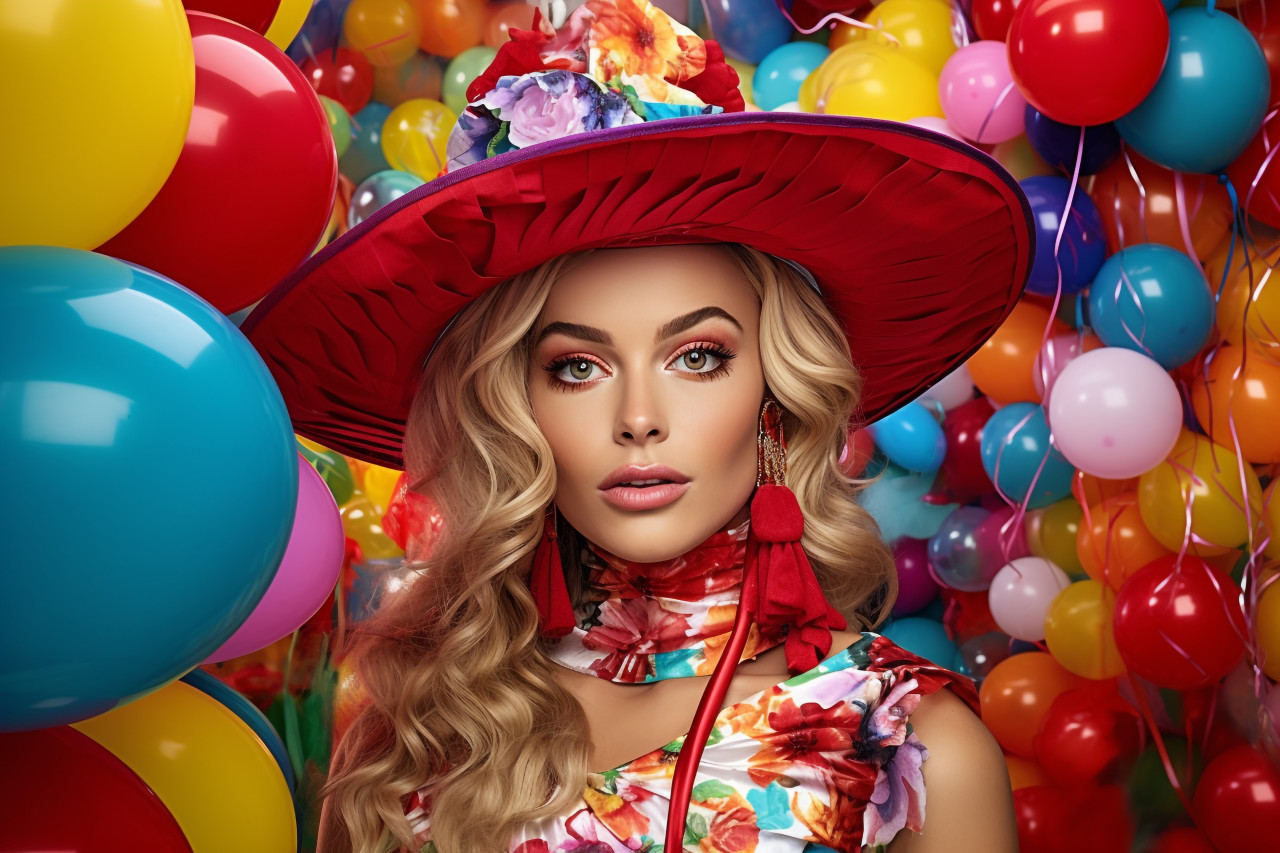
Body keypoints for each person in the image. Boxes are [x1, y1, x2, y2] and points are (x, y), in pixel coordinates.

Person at [242, 1, 1034, 850]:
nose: (639, 420)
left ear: (777, 390)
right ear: (514, 409)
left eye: (697, 356)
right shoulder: (414, 738)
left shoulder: (908, 746)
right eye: (576, 367)